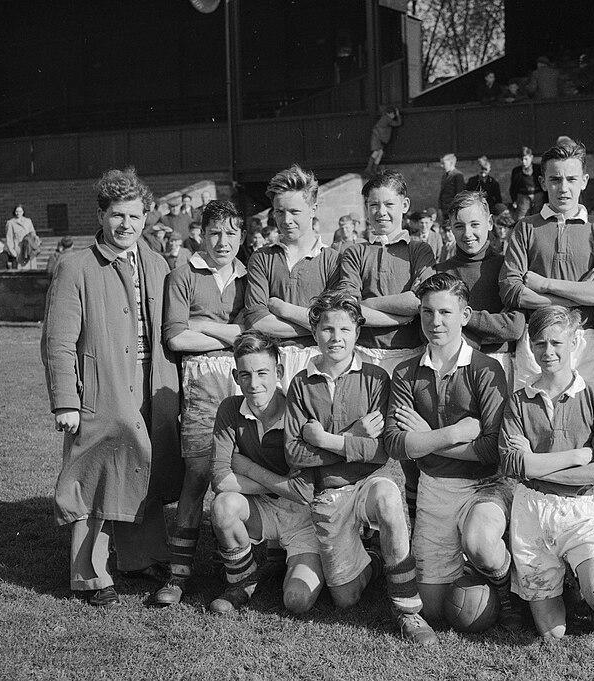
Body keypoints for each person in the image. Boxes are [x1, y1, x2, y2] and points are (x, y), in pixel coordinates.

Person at [41, 167, 181, 607]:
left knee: (147, 466)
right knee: (97, 473)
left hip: (152, 384)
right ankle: (90, 574)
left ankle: (141, 558)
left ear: (146, 218)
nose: (127, 225)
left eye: (135, 216)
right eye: (118, 215)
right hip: (102, 388)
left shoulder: (157, 263)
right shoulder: (75, 266)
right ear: (101, 216)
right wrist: (66, 401)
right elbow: (58, 342)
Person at [284, 291, 436, 644]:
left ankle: (407, 609)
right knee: (345, 599)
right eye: (327, 329)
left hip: (367, 484)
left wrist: (324, 440)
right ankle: (371, 557)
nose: (336, 338)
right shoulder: (300, 383)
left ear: (357, 332)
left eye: (344, 329)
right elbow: (294, 454)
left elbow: (381, 453)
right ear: (314, 331)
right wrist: (353, 440)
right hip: (327, 494)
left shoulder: (375, 378)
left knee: (388, 496)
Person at [385, 273, 521, 631]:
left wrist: (428, 438)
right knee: (433, 609)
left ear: (464, 315)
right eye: (427, 312)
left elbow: (494, 449)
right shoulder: (405, 372)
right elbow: (396, 443)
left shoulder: (486, 369)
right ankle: (471, 565)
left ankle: (507, 593)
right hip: (435, 486)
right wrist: (453, 434)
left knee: (479, 541)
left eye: (445, 312)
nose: (435, 322)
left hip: (485, 485)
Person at [499, 306, 594, 639]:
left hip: (582, 509)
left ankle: (584, 578)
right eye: (539, 344)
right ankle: (566, 583)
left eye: (556, 343)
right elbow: (512, 465)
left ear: (574, 342)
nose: (548, 352)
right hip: (532, 510)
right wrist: (577, 457)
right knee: (553, 633)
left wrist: (536, 466)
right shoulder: (518, 401)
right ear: (530, 346)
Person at [153, 200, 248, 606]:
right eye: (214, 233)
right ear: (201, 235)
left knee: (248, 473)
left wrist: (202, 325)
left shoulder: (250, 275)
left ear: (241, 236)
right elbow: (176, 337)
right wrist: (231, 333)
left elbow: (254, 332)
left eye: (230, 233)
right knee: (197, 476)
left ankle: (244, 573)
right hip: (200, 384)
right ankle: (178, 576)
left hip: (244, 384)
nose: (222, 241)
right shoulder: (182, 274)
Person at [333, 170, 436, 524]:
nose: (381, 213)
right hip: (363, 358)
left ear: (404, 206)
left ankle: (419, 528)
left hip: (408, 358)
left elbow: (419, 301)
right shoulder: (354, 252)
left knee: (410, 445)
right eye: (374, 205)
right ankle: (362, 533)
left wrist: (371, 306)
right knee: (364, 438)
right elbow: (347, 308)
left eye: (389, 204)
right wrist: (402, 313)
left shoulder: (419, 250)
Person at [207, 331, 321, 614]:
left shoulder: (299, 410)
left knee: (297, 601)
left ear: (278, 371)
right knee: (223, 506)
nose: (254, 383)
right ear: (235, 376)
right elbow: (221, 479)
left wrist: (248, 469)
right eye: (245, 375)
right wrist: (278, 485)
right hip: (264, 508)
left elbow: (303, 491)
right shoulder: (230, 408)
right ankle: (242, 580)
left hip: (304, 517)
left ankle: (369, 558)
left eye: (262, 373)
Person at [500, 141, 594, 391]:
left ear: (584, 181)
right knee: (534, 419)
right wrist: (582, 294)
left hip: (583, 338)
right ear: (543, 182)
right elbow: (510, 288)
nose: (563, 188)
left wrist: (545, 285)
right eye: (555, 179)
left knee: (584, 419)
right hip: (537, 338)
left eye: (571, 179)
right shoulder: (526, 227)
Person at [244, 164, 339, 388]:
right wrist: (317, 325)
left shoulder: (332, 260)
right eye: (279, 211)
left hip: (319, 361)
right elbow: (256, 321)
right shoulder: (261, 258)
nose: (286, 220)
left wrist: (283, 309)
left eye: (295, 212)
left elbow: (336, 321)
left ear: (313, 209)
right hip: (271, 364)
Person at [437, 191, 526, 381]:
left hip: (499, 361)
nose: (467, 234)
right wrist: (490, 329)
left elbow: (513, 327)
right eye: (459, 226)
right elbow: (433, 328)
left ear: (490, 223)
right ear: (451, 228)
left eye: (475, 224)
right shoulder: (441, 272)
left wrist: (459, 317)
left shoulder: (507, 267)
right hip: (453, 360)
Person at [366, 105, 401, 176]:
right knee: (376, 152)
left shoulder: (385, 118)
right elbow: (398, 123)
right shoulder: (387, 119)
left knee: (380, 153)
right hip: (377, 137)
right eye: (393, 114)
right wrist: (398, 115)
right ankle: (369, 169)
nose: (393, 116)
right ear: (389, 113)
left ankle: (373, 170)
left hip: (378, 137)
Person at [509, 147, 544, 220]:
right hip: (523, 197)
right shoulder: (516, 171)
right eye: (522, 159)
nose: (524, 162)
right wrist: (514, 200)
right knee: (521, 218)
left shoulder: (538, 169)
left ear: (531, 157)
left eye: (526, 159)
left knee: (538, 216)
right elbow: (513, 187)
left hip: (537, 196)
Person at [5, 205, 37, 270]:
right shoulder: (10, 223)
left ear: (23, 212)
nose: (18, 213)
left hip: (29, 248)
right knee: (21, 268)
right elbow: (9, 238)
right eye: (17, 211)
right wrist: (12, 251)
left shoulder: (28, 221)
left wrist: (34, 242)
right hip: (18, 249)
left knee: (31, 269)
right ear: (14, 212)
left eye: (20, 211)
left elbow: (33, 232)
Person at [438, 153, 465, 221]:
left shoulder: (458, 175)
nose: (442, 166)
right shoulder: (444, 176)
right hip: (444, 209)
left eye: (444, 163)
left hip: (453, 210)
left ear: (451, 163)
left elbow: (459, 194)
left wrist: (456, 210)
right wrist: (440, 208)